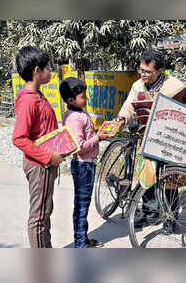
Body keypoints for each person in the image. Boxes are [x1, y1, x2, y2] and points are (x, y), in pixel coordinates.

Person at [115, 49, 186, 227]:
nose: (143, 74)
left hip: (169, 139)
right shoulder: (138, 86)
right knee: (147, 174)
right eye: (141, 70)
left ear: (159, 70)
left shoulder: (174, 85)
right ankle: (148, 213)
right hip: (147, 137)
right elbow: (129, 106)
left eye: (147, 71)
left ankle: (171, 217)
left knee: (169, 178)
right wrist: (122, 119)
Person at [12, 46, 63, 248]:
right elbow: (19, 139)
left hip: (44, 165)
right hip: (40, 166)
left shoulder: (37, 96)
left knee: (44, 212)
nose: (50, 71)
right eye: (47, 68)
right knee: (39, 217)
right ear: (36, 71)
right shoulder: (28, 101)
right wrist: (49, 158)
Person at [60, 77, 110, 248]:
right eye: (83, 97)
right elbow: (79, 147)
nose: (86, 99)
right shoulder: (74, 118)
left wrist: (97, 134)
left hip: (86, 164)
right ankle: (81, 244)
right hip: (83, 165)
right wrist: (98, 137)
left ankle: (83, 239)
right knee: (82, 207)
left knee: (83, 206)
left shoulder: (77, 113)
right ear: (70, 100)